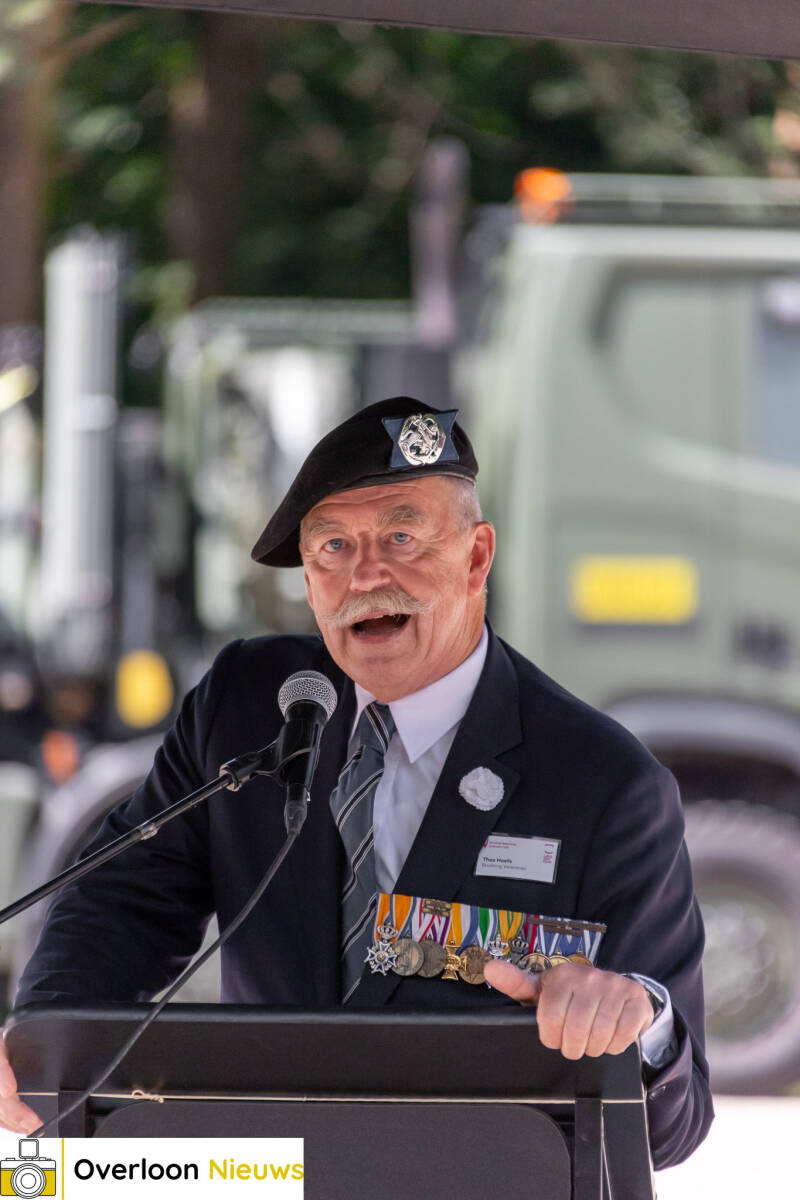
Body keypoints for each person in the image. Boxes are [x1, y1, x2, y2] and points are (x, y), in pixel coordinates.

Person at [0, 397, 712, 1166]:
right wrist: (43, 1040)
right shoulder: (246, 707)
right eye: (333, 546)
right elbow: (123, 906)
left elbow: (676, 1125)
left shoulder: (603, 782)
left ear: (476, 558)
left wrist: (639, 1022)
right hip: (265, 1173)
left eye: (402, 537)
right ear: (308, 581)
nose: (366, 575)